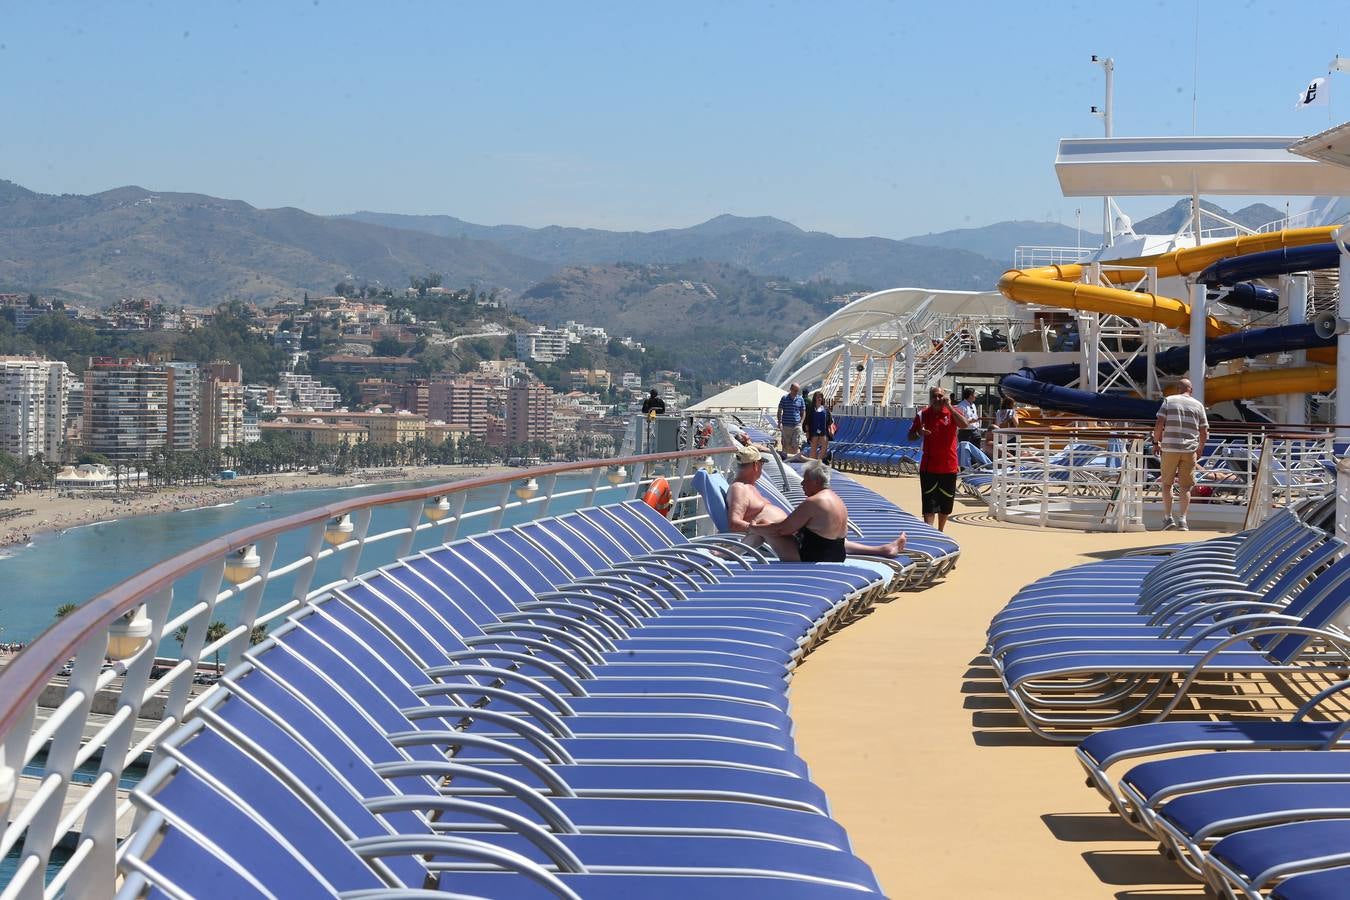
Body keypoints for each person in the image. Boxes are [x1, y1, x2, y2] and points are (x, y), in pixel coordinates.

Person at [727, 448, 906, 561]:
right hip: (833, 553)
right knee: (766, 526)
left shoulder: (813, 502)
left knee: (766, 527)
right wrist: (758, 527)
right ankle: (882, 549)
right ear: (756, 466)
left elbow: (782, 530)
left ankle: (728, 554)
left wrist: (759, 528)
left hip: (811, 555)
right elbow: (736, 523)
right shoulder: (835, 498)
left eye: (804, 481)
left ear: (814, 482)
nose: (802, 484)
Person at [908, 386, 967, 531]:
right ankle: (930, 531)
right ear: (930, 398)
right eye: (934, 396)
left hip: (949, 466)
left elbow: (964, 424)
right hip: (929, 467)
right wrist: (919, 433)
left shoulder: (953, 412)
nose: (937, 399)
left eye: (940, 396)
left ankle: (941, 531)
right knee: (929, 503)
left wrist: (950, 408)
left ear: (945, 397)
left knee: (945, 505)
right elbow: (910, 436)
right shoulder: (923, 415)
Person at [1153, 377, 1208, 531]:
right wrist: (1201, 447)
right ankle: (1183, 520)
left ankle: (1168, 518)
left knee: (1166, 484)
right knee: (1186, 487)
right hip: (1189, 449)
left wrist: (1155, 442)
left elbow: (1159, 423)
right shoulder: (1198, 405)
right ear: (1191, 390)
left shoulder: (1169, 401)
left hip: (1170, 448)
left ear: (1178, 389)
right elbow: (1204, 430)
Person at [776, 383, 805, 456]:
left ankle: (793, 460)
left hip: (797, 425)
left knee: (796, 444)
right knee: (785, 444)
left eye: (797, 391)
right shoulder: (784, 398)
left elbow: (803, 411)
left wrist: (801, 422)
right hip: (786, 426)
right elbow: (779, 410)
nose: (796, 392)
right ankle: (785, 461)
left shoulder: (800, 399)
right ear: (791, 389)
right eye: (795, 390)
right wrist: (779, 422)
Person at [804, 391, 833, 461]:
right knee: (813, 450)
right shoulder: (811, 409)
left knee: (824, 448)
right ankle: (812, 464)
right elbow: (807, 421)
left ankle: (818, 461)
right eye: (818, 397)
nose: (819, 399)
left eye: (821, 397)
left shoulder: (826, 409)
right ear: (815, 398)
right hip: (813, 432)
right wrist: (807, 432)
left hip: (823, 432)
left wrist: (830, 431)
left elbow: (829, 421)